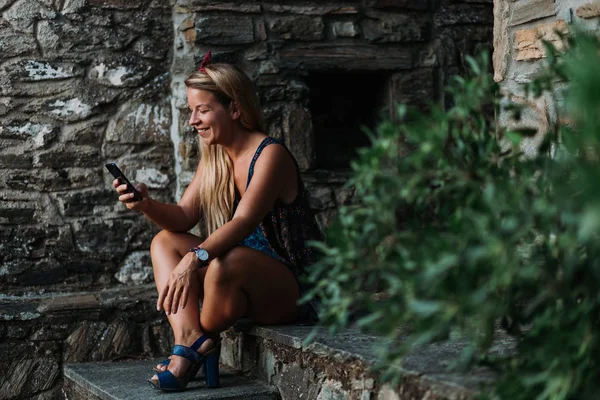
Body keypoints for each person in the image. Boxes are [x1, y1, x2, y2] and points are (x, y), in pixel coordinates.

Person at [111, 52, 322, 391]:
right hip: (239, 276)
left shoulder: (271, 155)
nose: (193, 120)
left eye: (203, 109)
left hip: (294, 286)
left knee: (226, 262)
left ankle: (195, 344)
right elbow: (182, 217)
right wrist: (145, 204)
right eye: (191, 110)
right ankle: (191, 341)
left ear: (235, 109)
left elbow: (243, 222)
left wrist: (192, 261)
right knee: (164, 241)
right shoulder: (216, 157)